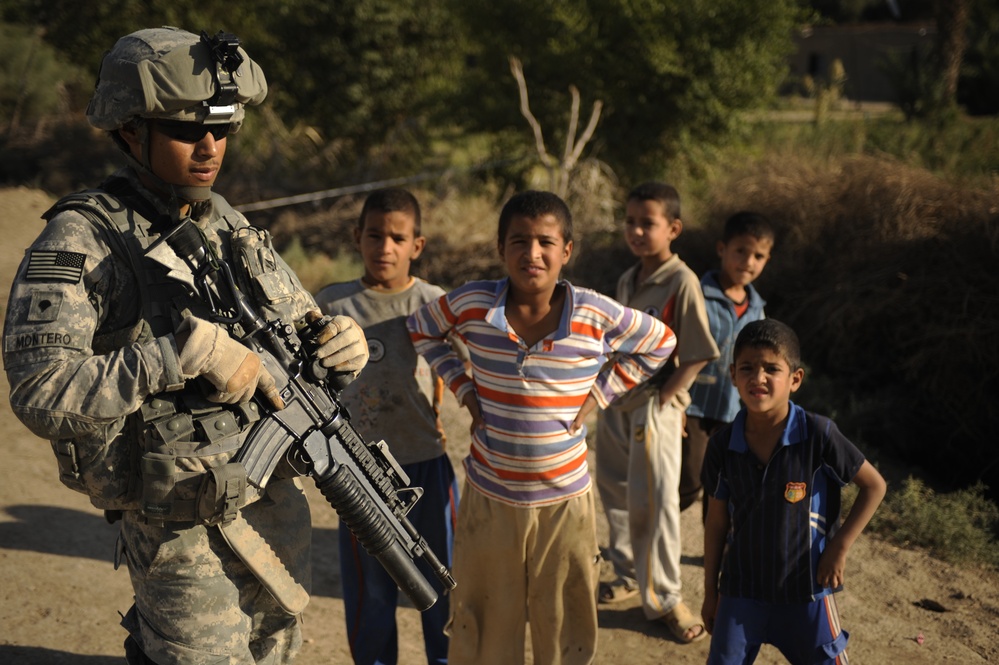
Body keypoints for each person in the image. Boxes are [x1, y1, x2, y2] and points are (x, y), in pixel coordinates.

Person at [2, 27, 369, 664]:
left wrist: (340, 343)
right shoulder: (83, 239)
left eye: (222, 130)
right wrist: (176, 356)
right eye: (185, 130)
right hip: (178, 528)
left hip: (271, 509)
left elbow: (299, 327)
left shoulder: (225, 220)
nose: (209, 147)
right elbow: (40, 390)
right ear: (128, 130)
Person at [406, 191, 676, 665]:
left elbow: (662, 343)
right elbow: (422, 327)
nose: (532, 254)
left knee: (563, 623)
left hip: (565, 504)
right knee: (485, 619)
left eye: (546, 242)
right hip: (490, 497)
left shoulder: (594, 314)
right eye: (519, 241)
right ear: (500, 249)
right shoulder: (473, 304)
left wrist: (599, 395)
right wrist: (464, 389)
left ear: (567, 250)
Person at [314, 188, 463, 665]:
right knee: (371, 594)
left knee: (441, 585)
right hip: (358, 476)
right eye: (375, 235)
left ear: (416, 245)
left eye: (398, 237)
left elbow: (474, 365)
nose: (386, 247)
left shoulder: (432, 304)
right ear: (357, 237)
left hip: (427, 465)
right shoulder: (332, 305)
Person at [700, 319, 886, 664]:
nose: (758, 378)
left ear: (795, 379)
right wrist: (711, 592)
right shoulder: (722, 445)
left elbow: (874, 486)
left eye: (772, 368)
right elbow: (715, 522)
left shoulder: (818, 435)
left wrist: (838, 548)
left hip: (806, 591)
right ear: (732, 375)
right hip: (741, 591)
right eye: (747, 368)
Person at [594, 181, 719, 644]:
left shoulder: (681, 281)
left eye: (648, 223)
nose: (637, 231)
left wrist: (669, 400)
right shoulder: (630, 279)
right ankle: (627, 573)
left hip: (654, 404)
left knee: (658, 502)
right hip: (617, 400)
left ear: (673, 228)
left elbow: (699, 353)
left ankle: (668, 598)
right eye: (630, 222)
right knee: (615, 488)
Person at [681, 211, 775, 515]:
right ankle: (648, 537)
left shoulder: (758, 310)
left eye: (758, 256)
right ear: (722, 249)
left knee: (722, 488)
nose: (748, 261)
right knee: (688, 482)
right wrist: (676, 404)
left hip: (732, 411)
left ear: (767, 260)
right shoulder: (695, 294)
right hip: (692, 407)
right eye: (741, 251)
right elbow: (678, 349)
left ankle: (716, 555)